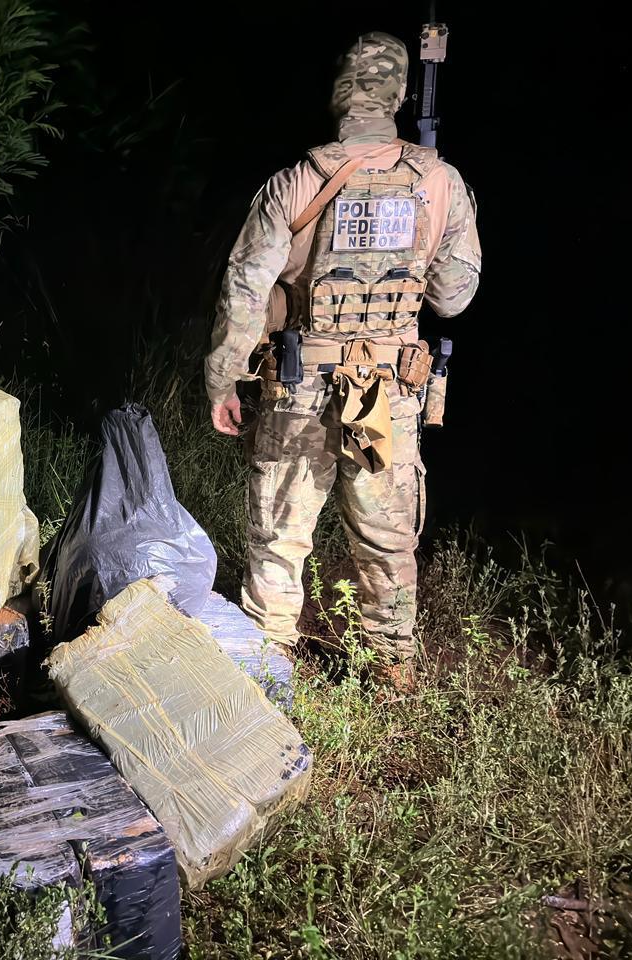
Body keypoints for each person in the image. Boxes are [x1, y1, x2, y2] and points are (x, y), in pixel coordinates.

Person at [204, 32, 481, 690]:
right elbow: (453, 298)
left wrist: (223, 379)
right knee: (387, 538)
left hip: (298, 385)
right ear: (397, 95)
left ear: (339, 94)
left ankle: (264, 671)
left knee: (279, 537)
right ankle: (391, 670)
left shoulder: (295, 181)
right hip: (385, 393)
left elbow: (245, 291)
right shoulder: (438, 182)